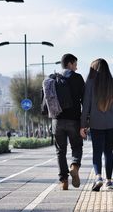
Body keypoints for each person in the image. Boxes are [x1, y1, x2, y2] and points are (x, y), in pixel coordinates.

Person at [80, 58, 113, 191]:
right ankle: (109, 182)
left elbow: (86, 106)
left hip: (95, 124)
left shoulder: (89, 85)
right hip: (112, 123)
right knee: (108, 153)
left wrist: (82, 125)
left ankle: (98, 177)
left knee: (97, 152)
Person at [47, 53, 85, 190]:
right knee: (76, 146)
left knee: (60, 151)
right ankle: (74, 166)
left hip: (57, 120)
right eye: (75, 64)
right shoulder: (78, 78)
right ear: (69, 63)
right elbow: (84, 100)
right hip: (74, 120)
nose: (76, 67)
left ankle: (64, 180)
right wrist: (85, 120)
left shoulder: (52, 79)